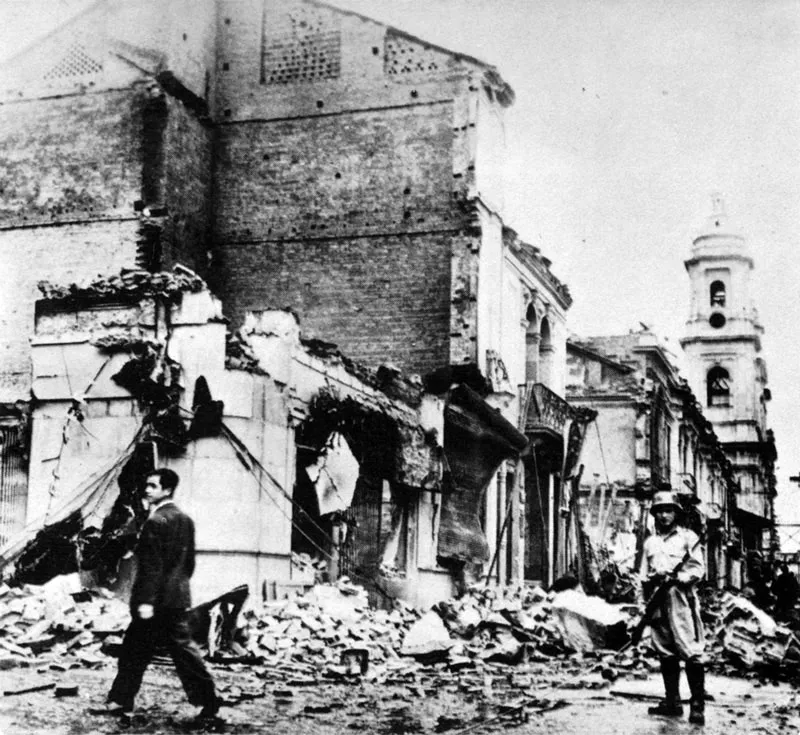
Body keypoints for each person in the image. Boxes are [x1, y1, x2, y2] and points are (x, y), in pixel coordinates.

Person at [91, 468, 221, 726]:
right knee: (176, 651)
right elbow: (189, 563)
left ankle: (120, 700)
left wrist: (147, 602)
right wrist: (177, 588)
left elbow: (152, 566)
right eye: (147, 485)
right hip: (176, 598)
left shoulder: (155, 521)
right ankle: (209, 702)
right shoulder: (185, 519)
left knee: (139, 651)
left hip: (153, 603)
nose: (146, 490)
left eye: (152, 486)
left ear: (167, 490)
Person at [638, 491, 706, 726]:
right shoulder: (650, 542)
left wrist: (679, 578)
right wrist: (643, 606)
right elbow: (642, 576)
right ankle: (672, 702)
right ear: (654, 514)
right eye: (660, 511)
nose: (664, 515)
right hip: (657, 600)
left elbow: (698, 570)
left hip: (680, 599)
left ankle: (697, 706)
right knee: (665, 651)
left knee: (690, 650)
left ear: (676, 514)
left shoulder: (688, 538)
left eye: (669, 511)